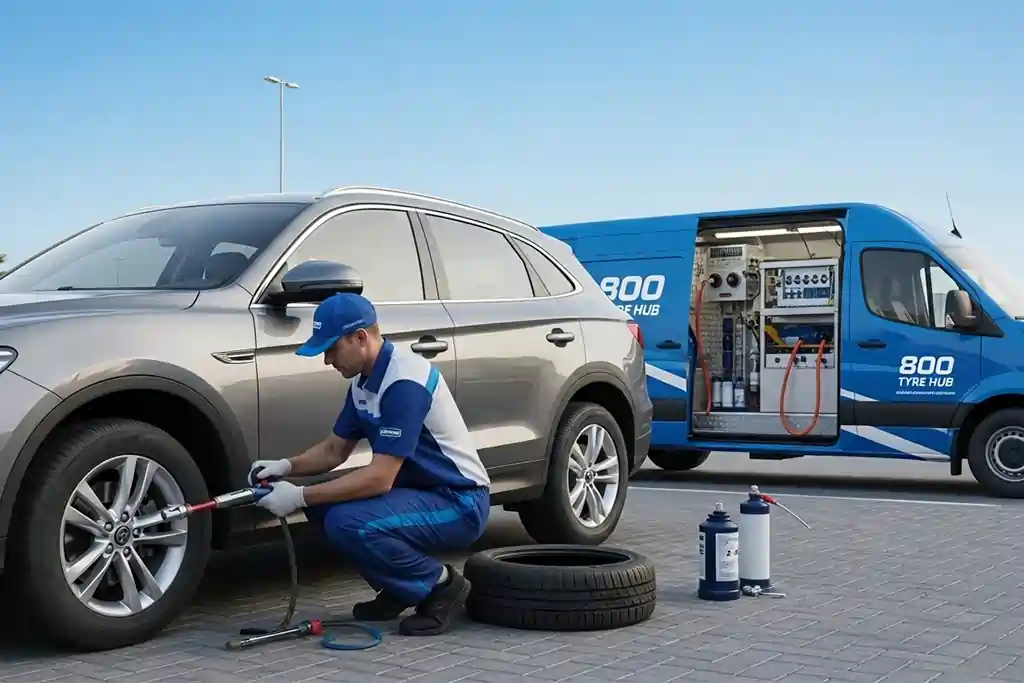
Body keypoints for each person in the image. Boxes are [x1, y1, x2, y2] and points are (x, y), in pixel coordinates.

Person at [247, 292, 491, 637]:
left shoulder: (404, 383)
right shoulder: (364, 380)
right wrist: (286, 466)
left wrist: (299, 496)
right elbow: (335, 450)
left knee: (348, 522)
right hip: (419, 493)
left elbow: (379, 479)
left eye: (331, 349)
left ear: (360, 337)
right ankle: (400, 587)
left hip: (459, 501)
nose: (327, 360)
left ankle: (441, 585)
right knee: (325, 511)